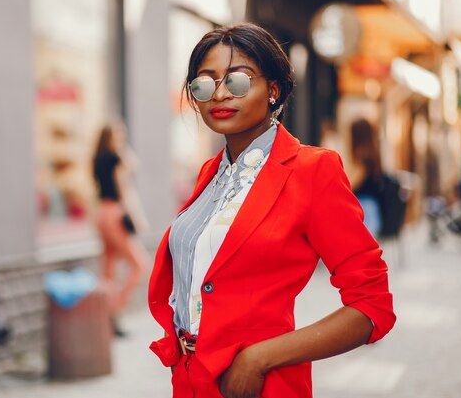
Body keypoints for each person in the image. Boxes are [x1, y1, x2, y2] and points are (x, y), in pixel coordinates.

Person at [148, 23, 396, 398]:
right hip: (191, 380)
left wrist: (259, 359)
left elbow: (372, 307)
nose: (220, 95)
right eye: (203, 84)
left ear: (273, 90)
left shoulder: (312, 171)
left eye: (238, 82)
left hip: (261, 385)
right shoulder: (210, 173)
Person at [92, 122, 148, 337]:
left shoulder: (97, 159)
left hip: (102, 213)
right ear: (111, 138)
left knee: (108, 268)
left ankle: (104, 316)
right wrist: (136, 217)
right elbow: (125, 187)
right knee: (140, 265)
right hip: (115, 213)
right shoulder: (117, 159)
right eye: (119, 135)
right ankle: (114, 311)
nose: (122, 138)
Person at [348, 118, 384, 237]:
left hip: (364, 210)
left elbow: (349, 187)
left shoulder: (361, 160)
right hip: (373, 209)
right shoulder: (374, 155)